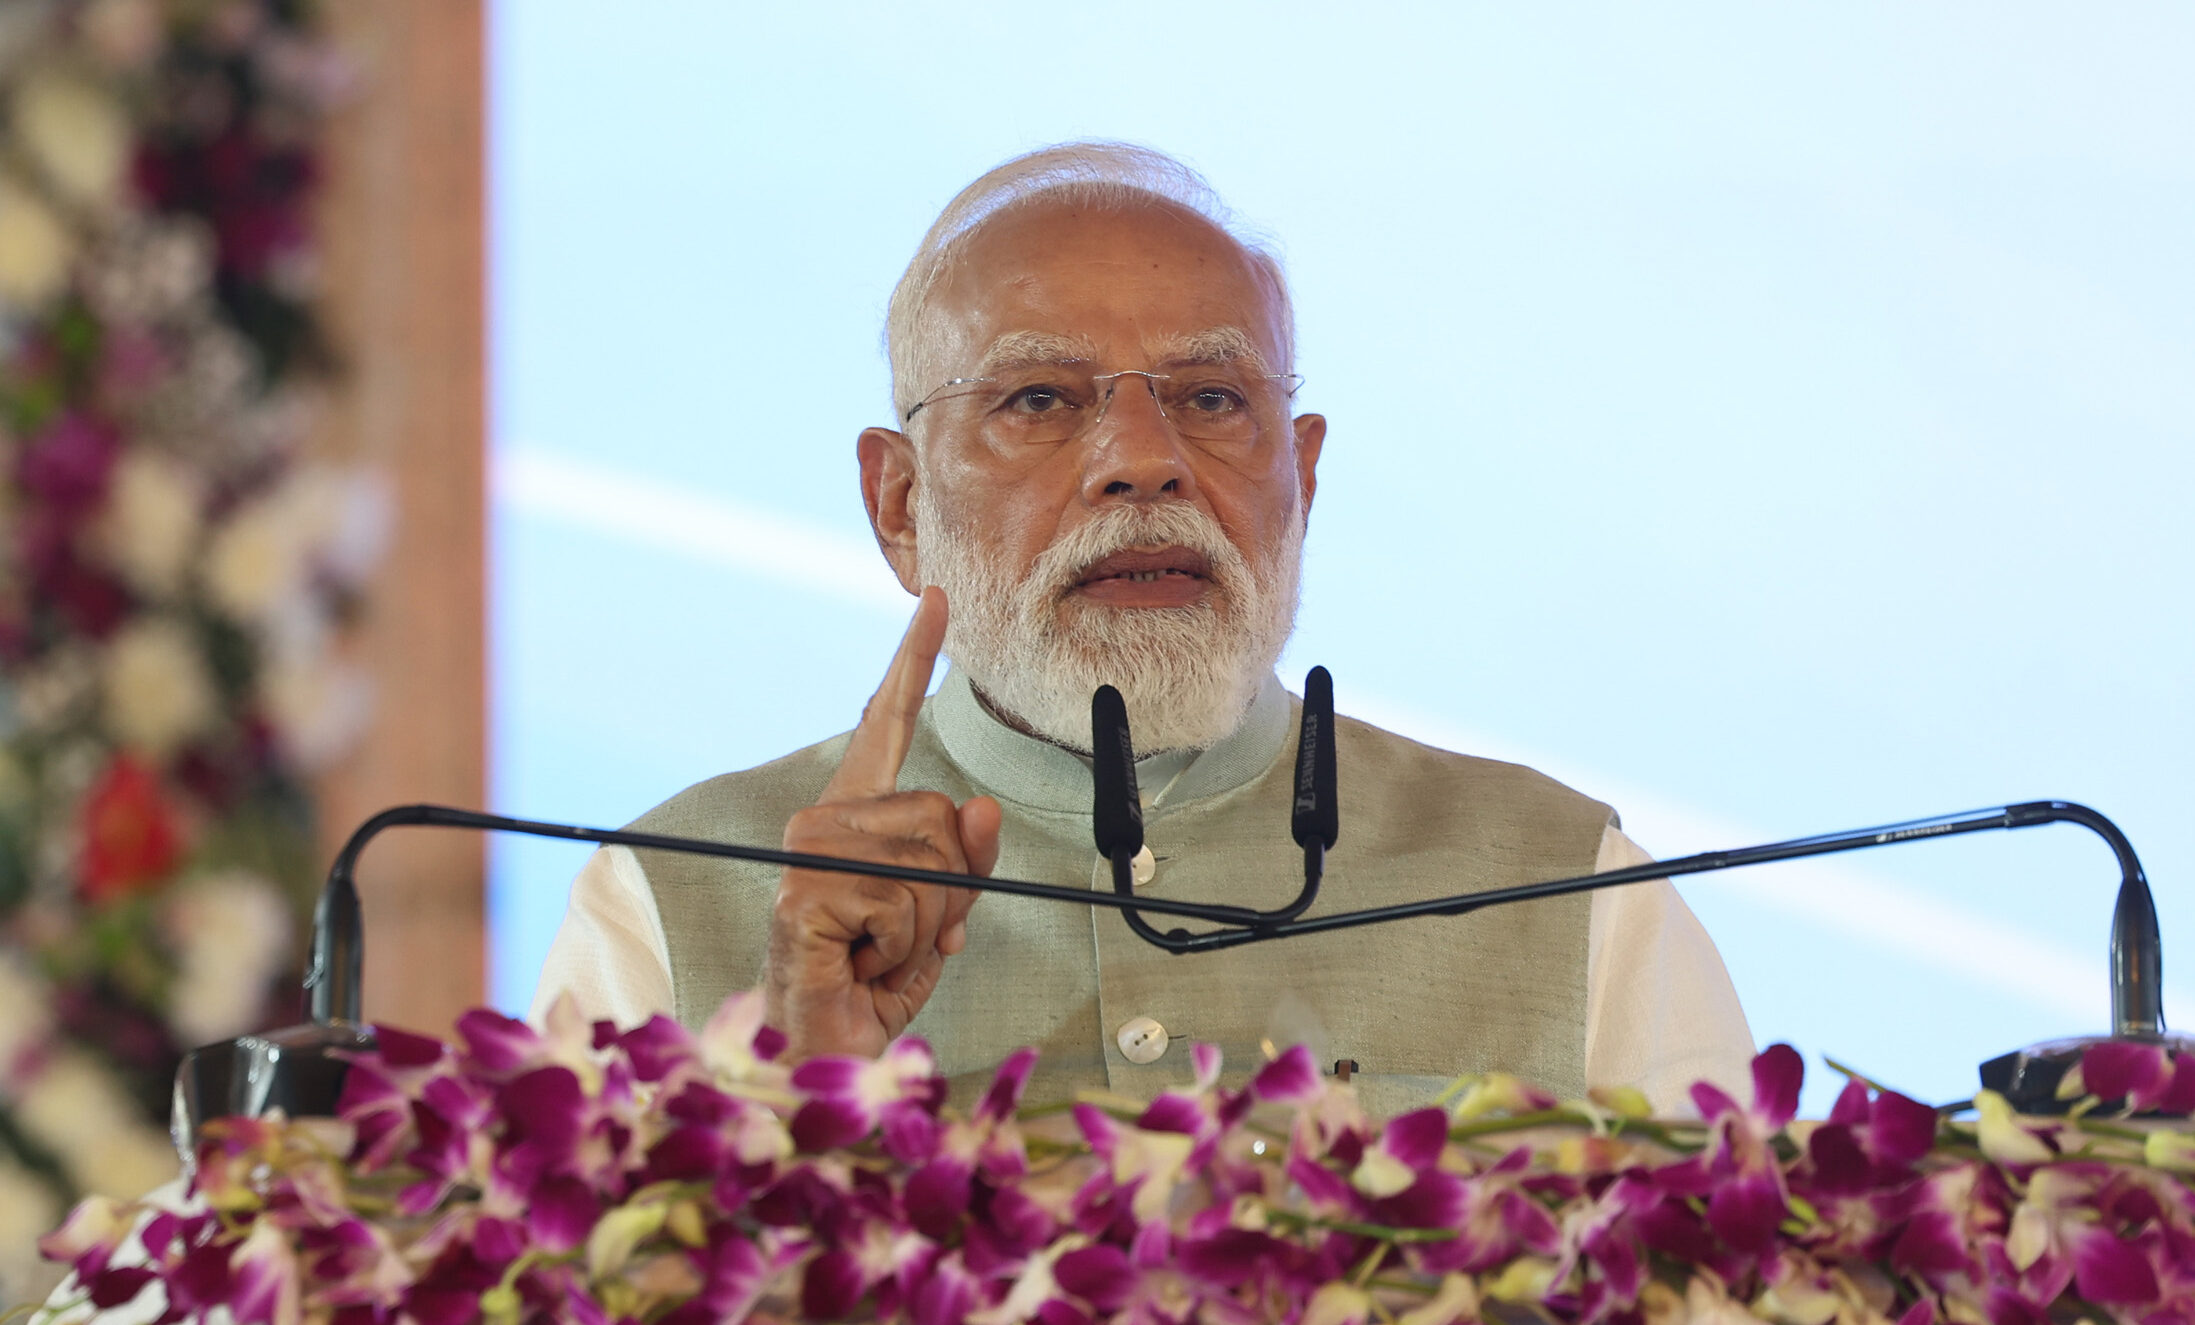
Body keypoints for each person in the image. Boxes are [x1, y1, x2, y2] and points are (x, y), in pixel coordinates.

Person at [533, 142, 1754, 1118]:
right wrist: (799, 1098)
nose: (1141, 462)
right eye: (1038, 400)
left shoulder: (1569, 885)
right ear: (899, 504)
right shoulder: (667, 899)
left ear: (1302, 476)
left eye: (1212, 398)